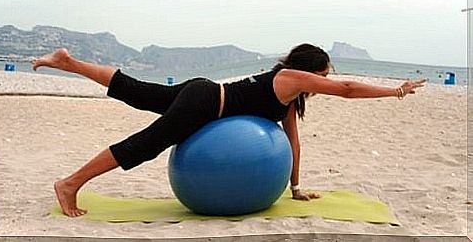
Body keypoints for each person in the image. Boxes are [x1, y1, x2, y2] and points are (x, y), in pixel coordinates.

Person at [31, 43, 426, 217]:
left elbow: (292, 141)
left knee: (137, 91)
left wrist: (295, 188)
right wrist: (395, 91)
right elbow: (347, 89)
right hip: (205, 102)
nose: (324, 82)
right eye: (321, 75)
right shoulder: (289, 78)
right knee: (147, 143)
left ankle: (68, 62)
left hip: (203, 93)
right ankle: (70, 184)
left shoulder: (289, 97)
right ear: (310, 72)